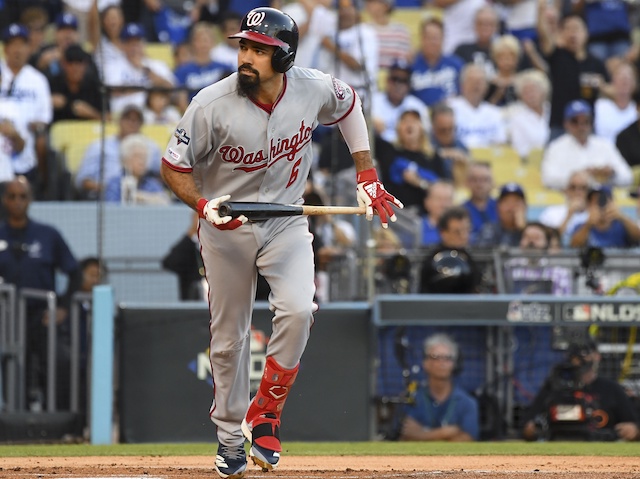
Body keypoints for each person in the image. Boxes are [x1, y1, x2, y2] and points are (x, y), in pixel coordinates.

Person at [159, 7, 402, 478]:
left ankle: (265, 413)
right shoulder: (211, 103)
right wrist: (202, 205)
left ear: (285, 56)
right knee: (228, 341)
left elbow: (350, 105)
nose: (247, 57)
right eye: (245, 46)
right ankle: (230, 439)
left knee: (298, 309)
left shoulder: (312, 87)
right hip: (226, 225)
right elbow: (173, 167)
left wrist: (367, 173)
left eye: (260, 50)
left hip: (287, 220)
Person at [0, 176, 78, 411]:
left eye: (22, 196)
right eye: (12, 196)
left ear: (30, 200)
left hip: (42, 315)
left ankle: (56, 419)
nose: (17, 202)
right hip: (6, 318)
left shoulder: (47, 234)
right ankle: (16, 419)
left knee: (54, 363)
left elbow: (75, 273)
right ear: (4, 200)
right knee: (12, 366)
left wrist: (62, 306)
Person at [522, 339, 640, 441]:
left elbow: (632, 425)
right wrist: (531, 429)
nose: (580, 360)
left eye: (585, 354)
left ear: (597, 356)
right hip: (558, 446)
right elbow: (528, 425)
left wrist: (634, 430)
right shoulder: (555, 386)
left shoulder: (611, 389)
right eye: (576, 356)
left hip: (600, 446)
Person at [0, 24, 53, 189]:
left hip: (25, 142)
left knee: (41, 142)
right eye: (13, 44)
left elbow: (44, 119)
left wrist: (33, 126)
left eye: (22, 44)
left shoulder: (38, 80)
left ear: (29, 48)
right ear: (6, 48)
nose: (17, 50)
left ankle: (43, 189)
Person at [399, 333, 480, 441]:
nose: (442, 363)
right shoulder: (412, 399)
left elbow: (466, 440)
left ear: (455, 364)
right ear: (425, 363)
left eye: (447, 358)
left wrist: (422, 435)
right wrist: (446, 432)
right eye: (436, 357)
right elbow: (406, 436)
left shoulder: (467, 403)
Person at [75, 103, 162, 200]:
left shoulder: (152, 147)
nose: (132, 123)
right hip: (105, 195)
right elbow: (83, 180)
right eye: (128, 118)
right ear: (119, 121)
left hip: (145, 191)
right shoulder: (100, 146)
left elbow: (162, 176)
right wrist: (110, 189)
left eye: (136, 120)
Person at [541, 100, 633, 190]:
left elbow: (627, 177)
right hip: (568, 198)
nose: (581, 126)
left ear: (592, 123)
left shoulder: (604, 145)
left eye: (586, 121)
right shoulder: (556, 147)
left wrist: (612, 173)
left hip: (599, 199)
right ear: (566, 124)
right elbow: (547, 179)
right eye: (575, 121)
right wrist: (579, 177)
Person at [419, 205, 482, 294]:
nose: (464, 236)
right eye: (457, 232)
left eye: (467, 230)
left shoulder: (472, 260)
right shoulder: (432, 261)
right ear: (443, 233)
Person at [448, 63, 507, 148]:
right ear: (462, 85)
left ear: (486, 87)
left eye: (480, 81)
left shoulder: (495, 113)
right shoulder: (450, 108)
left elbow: (501, 143)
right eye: (472, 81)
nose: (476, 85)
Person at [371, 59, 429, 144]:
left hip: (406, 151)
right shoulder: (374, 101)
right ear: (387, 81)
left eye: (404, 81)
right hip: (379, 149)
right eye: (395, 79)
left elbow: (425, 138)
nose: (399, 85)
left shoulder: (417, 106)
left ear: (409, 85)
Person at [410, 17, 464, 107]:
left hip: (451, 113)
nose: (432, 42)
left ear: (443, 39)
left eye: (436, 38)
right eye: (429, 38)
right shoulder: (411, 65)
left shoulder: (456, 64)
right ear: (422, 39)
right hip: (420, 114)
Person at [104, 133, 170, 204]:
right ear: (125, 160)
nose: (142, 161)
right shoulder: (115, 184)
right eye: (137, 156)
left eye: (144, 157)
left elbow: (165, 203)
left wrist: (140, 197)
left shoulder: (152, 184)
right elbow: (112, 208)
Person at [568, 183, 640, 248]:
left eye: (602, 201)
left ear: (611, 202)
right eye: (593, 202)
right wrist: (588, 224)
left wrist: (621, 216)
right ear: (588, 205)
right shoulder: (581, 227)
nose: (599, 206)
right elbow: (574, 246)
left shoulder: (622, 226)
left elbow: (637, 237)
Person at [48, 43, 103, 122]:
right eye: (70, 62)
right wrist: (46, 102)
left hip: (89, 132)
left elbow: (109, 118)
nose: (75, 68)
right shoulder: (52, 83)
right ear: (63, 64)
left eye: (79, 62)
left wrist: (92, 113)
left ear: (85, 65)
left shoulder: (95, 85)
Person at [505, 68, 550, 161]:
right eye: (526, 92)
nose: (531, 95)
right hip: (532, 162)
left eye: (534, 90)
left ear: (543, 91)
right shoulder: (517, 118)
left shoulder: (553, 111)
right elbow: (519, 150)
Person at [538, 170, 590, 245]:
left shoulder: (595, 214)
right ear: (566, 190)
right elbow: (546, 243)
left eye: (583, 188)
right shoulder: (551, 212)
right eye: (573, 187)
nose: (578, 192)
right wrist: (569, 215)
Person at [593, 61, 637, 144]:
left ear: (634, 83)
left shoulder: (637, 111)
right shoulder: (599, 106)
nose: (624, 81)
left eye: (628, 78)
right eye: (621, 78)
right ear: (613, 81)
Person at [474, 182, 527, 247]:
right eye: (507, 202)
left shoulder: (535, 230)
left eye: (516, 202)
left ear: (525, 206)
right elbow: (482, 253)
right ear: (498, 207)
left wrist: (523, 230)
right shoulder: (488, 230)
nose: (511, 207)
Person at [453, 5, 500, 78]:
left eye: (489, 24)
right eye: (481, 24)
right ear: (474, 26)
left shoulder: (501, 52)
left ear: (496, 27)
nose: (485, 28)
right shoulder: (462, 51)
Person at [419, 179, 455, 246]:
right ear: (427, 202)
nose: (444, 204)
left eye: (448, 199)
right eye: (439, 199)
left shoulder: (461, 230)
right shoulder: (417, 228)